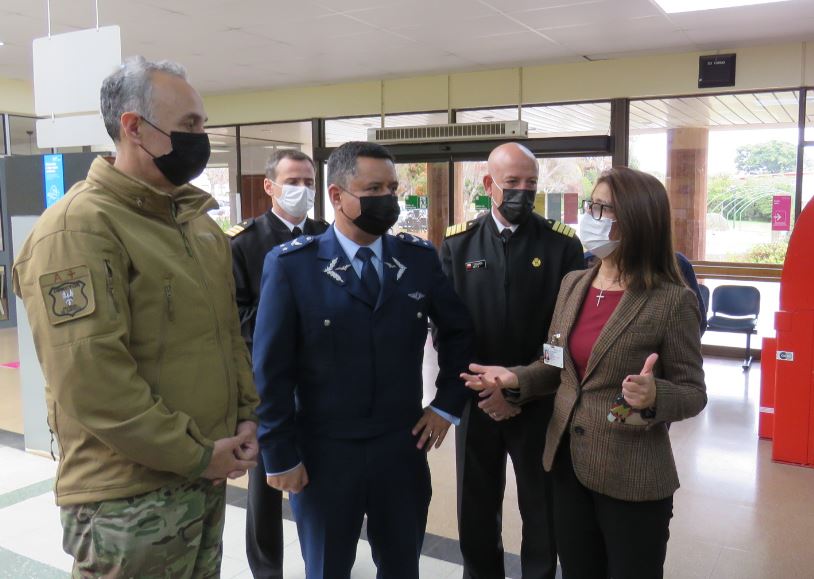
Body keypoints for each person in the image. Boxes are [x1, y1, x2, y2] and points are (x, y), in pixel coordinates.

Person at [12, 56, 259, 578]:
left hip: (202, 474)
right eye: (189, 125)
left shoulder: (198, 228)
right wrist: (197, 454)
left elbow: (227, 338)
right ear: (133, 128)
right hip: (128, 496)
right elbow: (93, 382)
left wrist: (245, 417)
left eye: (202, 125)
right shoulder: (80, 230)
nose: (201, 137)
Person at [462, 166, 707, 579]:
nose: (589, 215)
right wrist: (514, 378)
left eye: (602, 207)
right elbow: (556, 366)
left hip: (631, 474)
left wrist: (655, 397)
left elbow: (693, 391)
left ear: (636, 218)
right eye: (591, 204)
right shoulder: (575, 283)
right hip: (567, 468)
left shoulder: (672, 300)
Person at [252, 141, 473, 579]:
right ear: (336, 195)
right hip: (324, 455)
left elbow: (459, 333)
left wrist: (447, 405)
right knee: (328, 568)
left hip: (400, 447)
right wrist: (278, 453)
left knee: (401, 565)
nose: (387, 199)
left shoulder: (417, 259)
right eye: (373, 189)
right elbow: (271, 368)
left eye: (391, 188)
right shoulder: (292, 266)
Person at [440, 143, 584, 579]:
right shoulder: (457, 244)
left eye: (531, 183)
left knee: (542, 507)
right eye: (512, 183)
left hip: (538, 400)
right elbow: (446, 330)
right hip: (476, 398)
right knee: (476, 506)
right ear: (488, 185)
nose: (524, 191)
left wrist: (518, 389)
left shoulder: (562, 246)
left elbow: (565, 333)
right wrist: (487, 389)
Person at [229, 148, 328, 579]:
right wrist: (290, 322)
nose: (302, 190)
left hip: (322, 381)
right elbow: (236, 314)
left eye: (308, 182)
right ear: (269, 186)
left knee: (320, 475)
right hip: (267, 382)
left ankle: (322, 559)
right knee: (266, 485)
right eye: (293, 182)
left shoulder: (328, 235)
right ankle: (267, 569)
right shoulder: (244, 242)